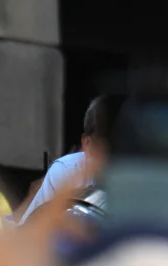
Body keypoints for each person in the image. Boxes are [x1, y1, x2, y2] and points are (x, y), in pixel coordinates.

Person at [19, 95, 123, 224]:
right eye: (107, 149)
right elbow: (31, 232)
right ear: (88, 144)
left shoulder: (147, 181)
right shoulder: (66, 172)